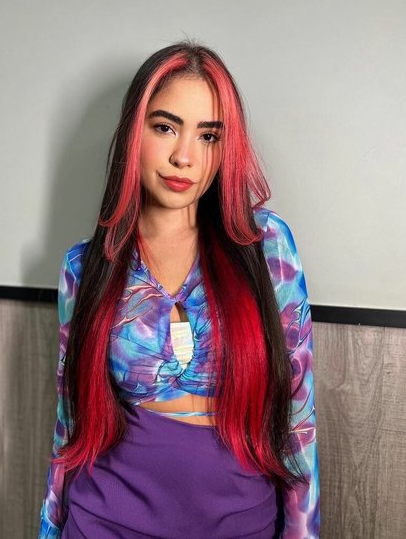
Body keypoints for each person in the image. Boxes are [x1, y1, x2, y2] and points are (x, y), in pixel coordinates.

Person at [38, 41, 320, 539]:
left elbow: (298, 418)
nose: (184, 157)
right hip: (104, 520)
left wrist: (303, 532)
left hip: (240, 523)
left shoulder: (265, 246)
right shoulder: (84, 268)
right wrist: (48, 528)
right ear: (135, 131)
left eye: (207, 136)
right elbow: (71, 424)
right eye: (165, 127)